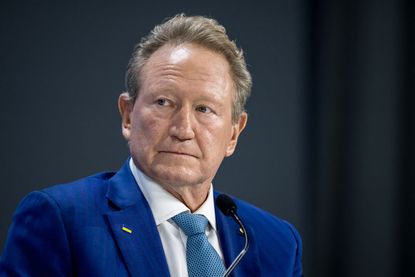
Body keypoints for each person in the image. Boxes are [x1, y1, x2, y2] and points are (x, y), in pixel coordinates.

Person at [0, 14, 303, 276]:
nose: (183, 129)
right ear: (128, 115)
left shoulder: (277, 242)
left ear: (234, 133)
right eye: (163, 102)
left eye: (204, 109)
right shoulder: (61, 219)